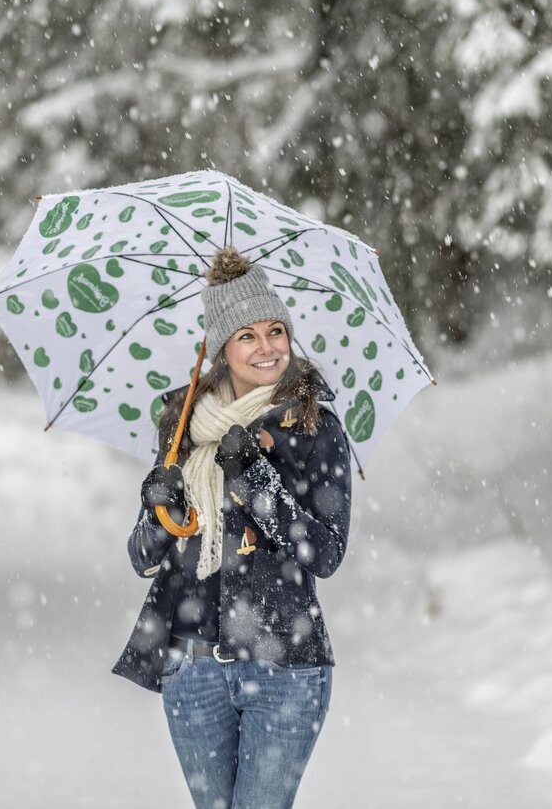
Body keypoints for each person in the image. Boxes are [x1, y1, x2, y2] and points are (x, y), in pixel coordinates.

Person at [112, 246, 353, 809]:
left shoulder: (314, 428)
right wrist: (158, 508)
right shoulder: (184, 426)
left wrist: (254, 480)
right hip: (190, 670)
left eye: (276, 331)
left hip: (283, 666)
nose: (267, 347)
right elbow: (142, 556)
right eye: (247, 335)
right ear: (221, 347)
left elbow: (325, 553)